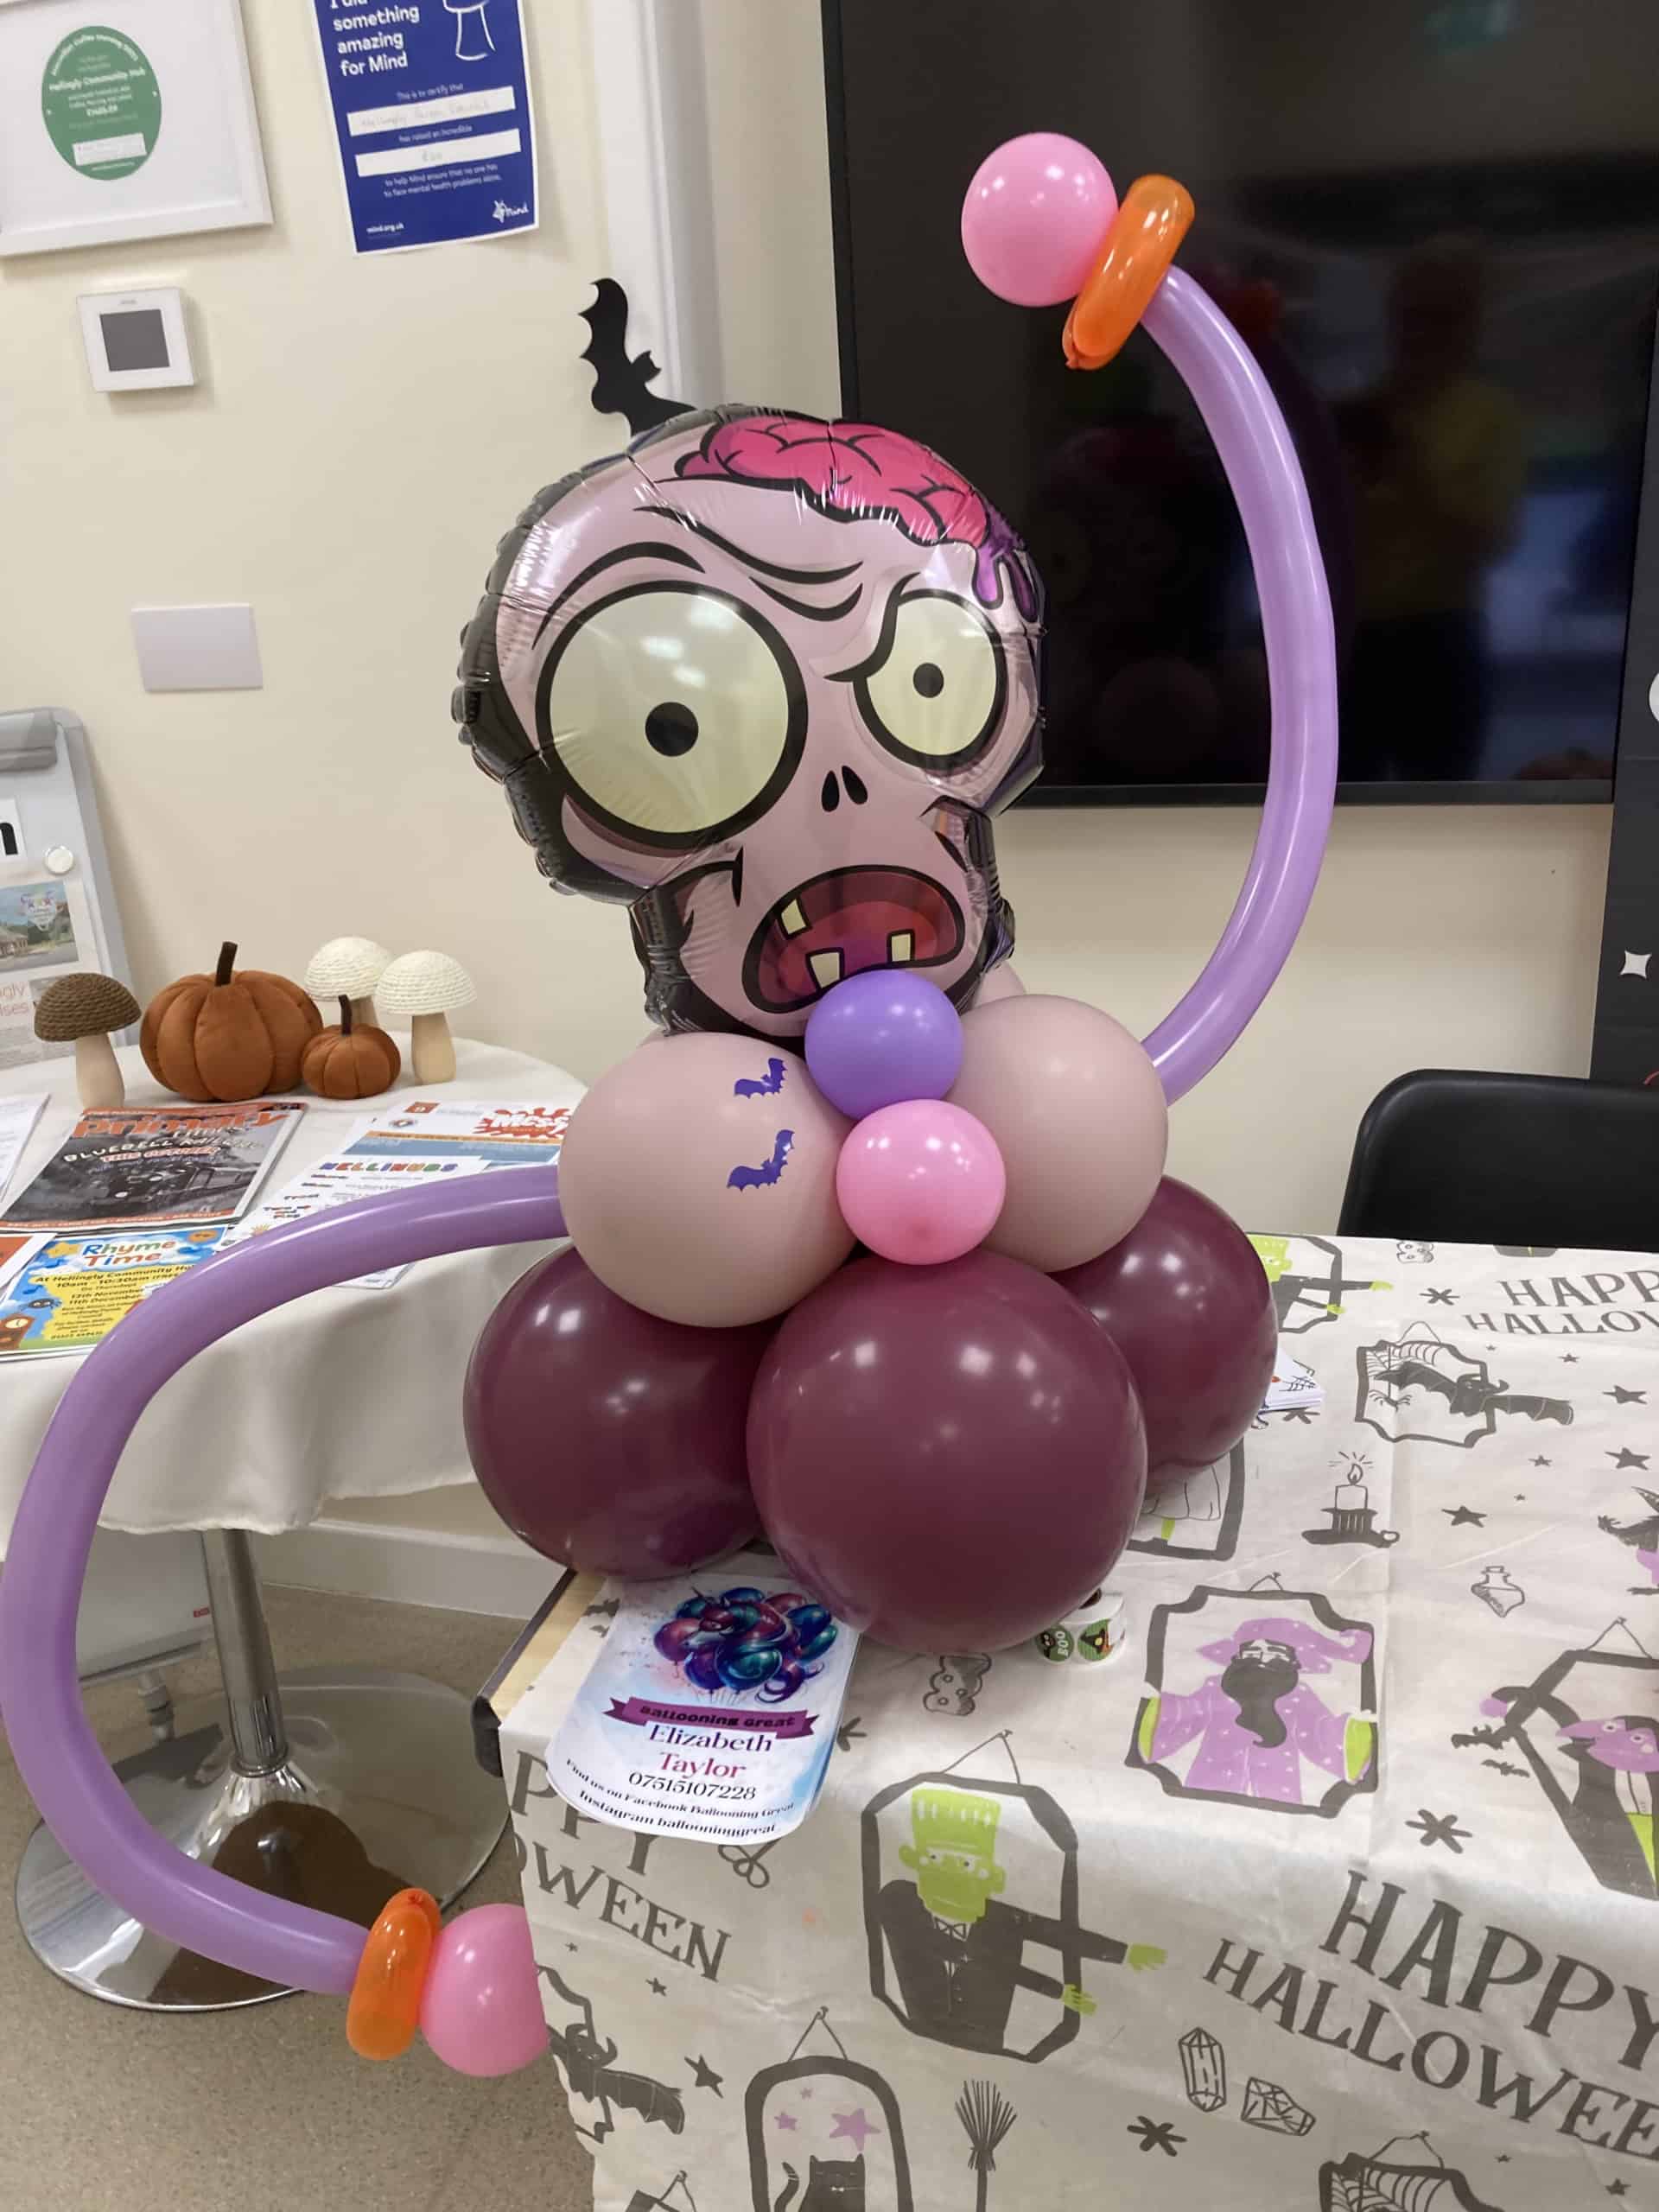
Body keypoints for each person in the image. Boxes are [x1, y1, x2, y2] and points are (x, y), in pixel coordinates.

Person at [874, 1785, 1161, 2052]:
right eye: (935, 1859)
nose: (949, 1872)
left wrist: (1125, 1953)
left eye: (965, 1864)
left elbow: (1053, 1932)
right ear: (913, 1859)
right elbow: (968, 1955)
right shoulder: (898, 1901)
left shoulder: (999, 1918)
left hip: (986, 2051)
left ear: (991, 1877)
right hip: (915, 2046)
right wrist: (1054, 1990)